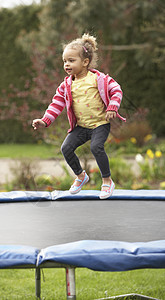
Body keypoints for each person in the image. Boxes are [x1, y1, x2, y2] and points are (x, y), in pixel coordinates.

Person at [32, 33, 125, 199]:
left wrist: (112, 106)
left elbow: (116, 90)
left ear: (85, 62)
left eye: (71, 60)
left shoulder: (99, 79)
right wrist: (45, 120)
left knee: (96, 147)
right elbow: (56, 104)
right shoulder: (66, 85)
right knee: (65, 148)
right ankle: (81, 176)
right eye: (65, 61)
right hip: (81, 127)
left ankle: (107, 180)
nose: (67, 64)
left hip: (100, 124)